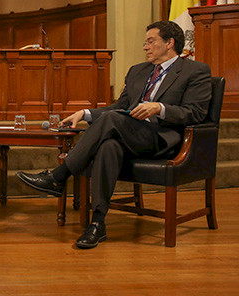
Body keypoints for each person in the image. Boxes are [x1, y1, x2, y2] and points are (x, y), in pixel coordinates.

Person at [17, 20, 211, 249]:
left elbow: (196, 113)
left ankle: (59, 176)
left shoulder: (195, 71)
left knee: (112, 123)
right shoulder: (138, 71)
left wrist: (160, 108)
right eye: (145, 42)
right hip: (131, 132)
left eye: (151, 41)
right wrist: (85, 113)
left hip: (162, 138)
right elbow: (120, 107)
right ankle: (97, 224)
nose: (145, 47)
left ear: (170, 43)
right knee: (109, 145)